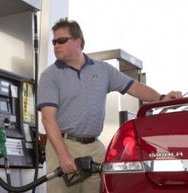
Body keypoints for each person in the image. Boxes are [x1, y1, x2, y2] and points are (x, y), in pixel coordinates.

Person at [37, 18, 182, 193]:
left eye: (61, 40)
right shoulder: (50, 76)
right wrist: (63, 155)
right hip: (64, 145)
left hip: (94, 148)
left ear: (78, 41)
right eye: (54, 42)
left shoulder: (103, 70)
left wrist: (162, 97)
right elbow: (47, 118)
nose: (56, 45)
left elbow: (134, 88)